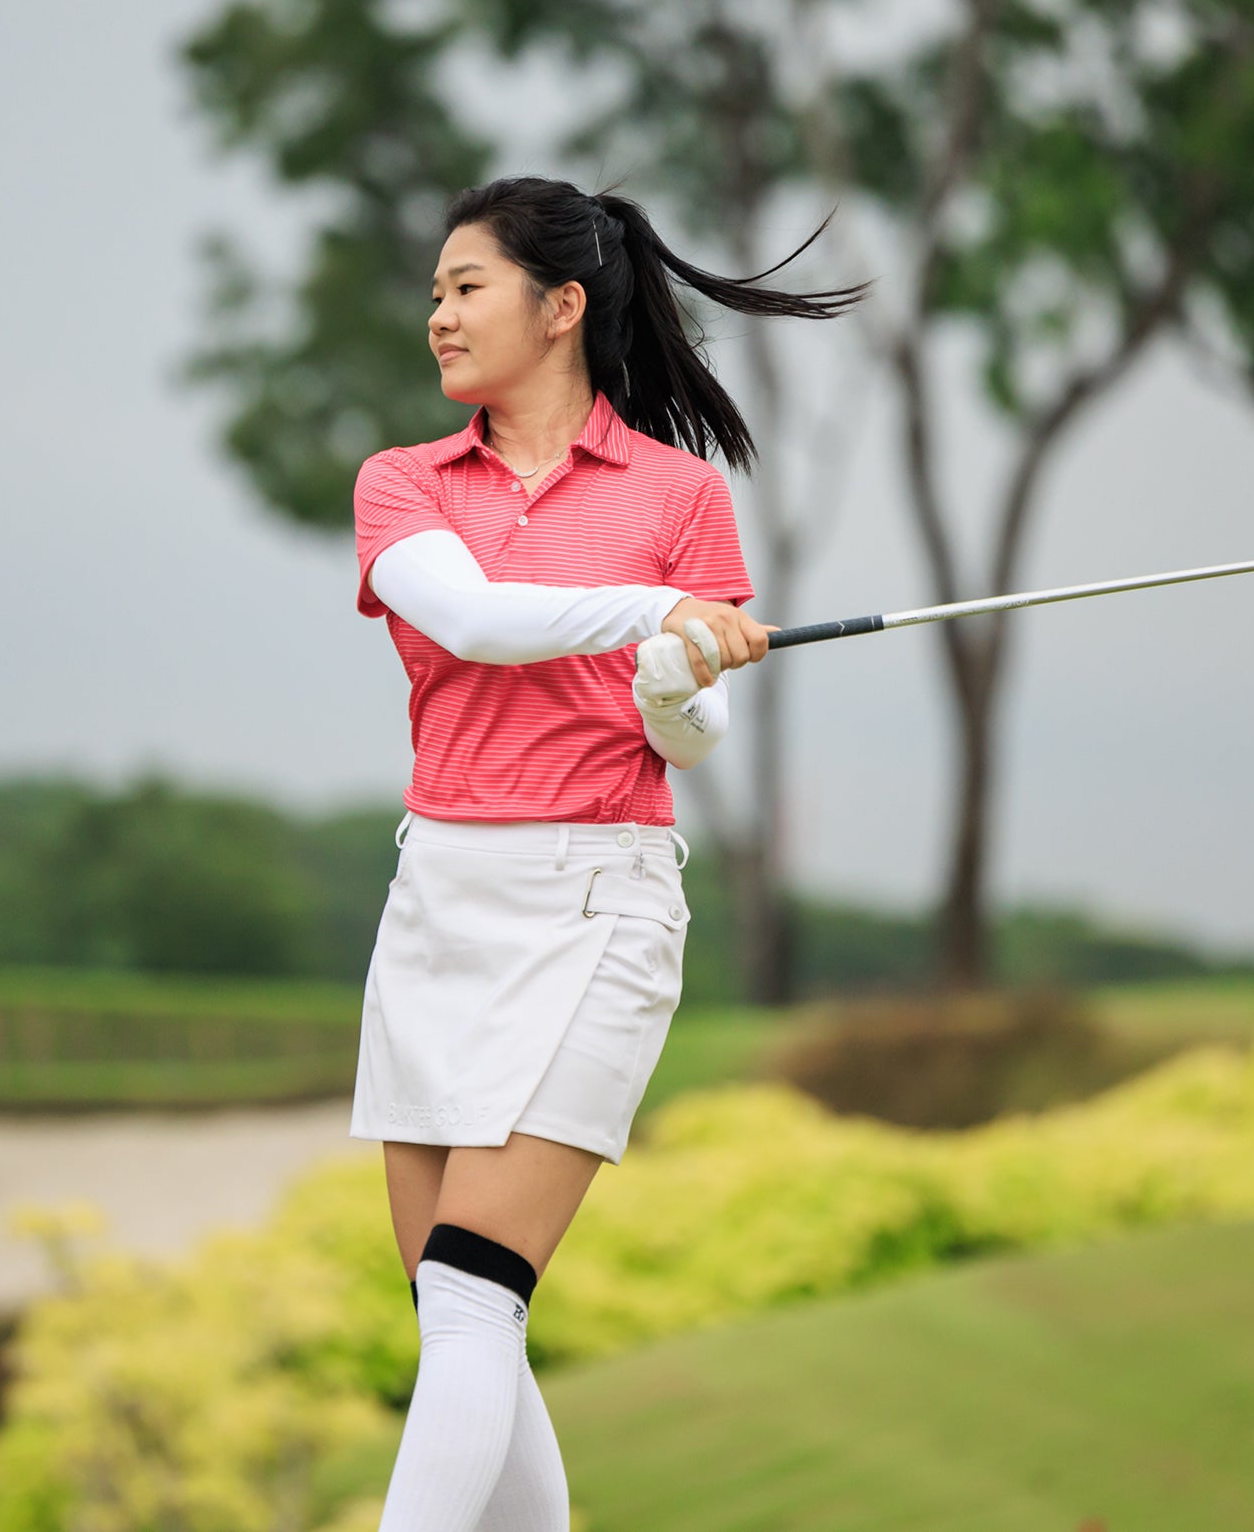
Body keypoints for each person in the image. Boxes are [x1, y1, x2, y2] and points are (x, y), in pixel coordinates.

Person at [349, 176, 863, 1529]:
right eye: (437, 291)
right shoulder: (402, 484)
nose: (438, 314)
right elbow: (473, 622)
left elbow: (687, 737)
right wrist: (656, 613)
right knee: (458, 1314)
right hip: (437, 901)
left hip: (594, 904)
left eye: (466, 286)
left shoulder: (680, 494)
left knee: (474, 1294)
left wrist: (673, 678)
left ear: (561, 305)